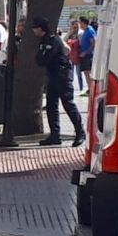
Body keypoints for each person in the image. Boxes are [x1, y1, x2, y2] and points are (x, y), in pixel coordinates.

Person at [32, 17, 85, 146]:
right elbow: (39, 60)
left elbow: (45, 59)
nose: (33, 30)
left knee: (68, 104)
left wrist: (43, 56)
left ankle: (80, 132)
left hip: (62, 76)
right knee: (51, 106)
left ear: (40, 28)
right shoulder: (43, 41)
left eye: (35, 27)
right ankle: (55, 135)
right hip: (52, 76)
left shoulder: (54, 40)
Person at [78, 15, 96, 95]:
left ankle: (91, 89)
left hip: (88, 55)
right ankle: (89, 88)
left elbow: (93, 43)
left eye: (80, 23)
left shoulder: (89, 30)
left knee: (88, 72)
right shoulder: (85, 30)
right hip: (84, 55)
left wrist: (86, 52)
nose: (80, 25)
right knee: (86, 72)